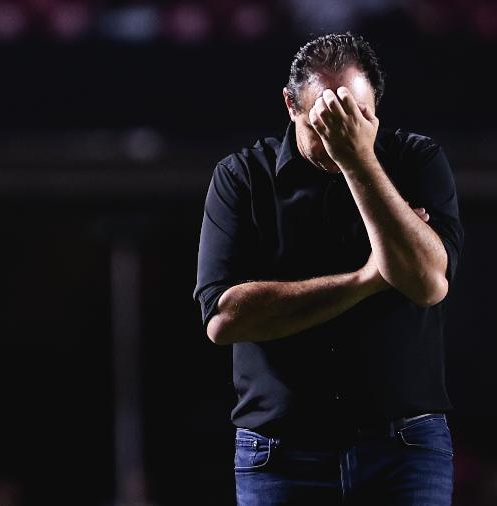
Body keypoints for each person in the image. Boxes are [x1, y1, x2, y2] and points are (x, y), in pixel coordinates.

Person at [193, 33, 464, 505]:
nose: (342, 135)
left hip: (404, 446)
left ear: (376, 107)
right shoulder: (241, 177)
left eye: (358, 117)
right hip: (279, 452)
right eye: (325, 121)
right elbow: (224, 319)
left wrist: (358, 160)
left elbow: (427, 284)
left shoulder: (416, 160)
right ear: (291, 105)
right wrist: (368, 279)